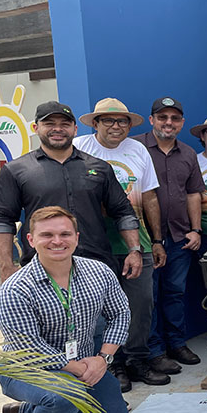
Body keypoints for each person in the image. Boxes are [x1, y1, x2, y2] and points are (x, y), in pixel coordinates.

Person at [0, 206, 131, 413]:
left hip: (84, 363)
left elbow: (120, 313)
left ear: (77, 238)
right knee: (64, 396)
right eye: (47, 235)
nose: (57, 241)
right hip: (27, 369)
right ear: (31, 240)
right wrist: (79, 369)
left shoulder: (99, 272)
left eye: (64, 234)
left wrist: (102, 358)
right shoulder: (16, 288)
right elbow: (29, 346)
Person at [73, 98, 168, 391]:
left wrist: (156, 240)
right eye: (109, 121)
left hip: (135, 245)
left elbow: (150, 197)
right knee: (97, 310)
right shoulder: (79, 149)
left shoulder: (137, 149)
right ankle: (110, 366)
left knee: (140, 306)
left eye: (122, 121)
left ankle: (138, 359)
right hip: (93, 246)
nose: (116, 126)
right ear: (95, 124)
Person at [0, 101, 141, 283]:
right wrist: (6, 265)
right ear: (36, 128)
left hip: (96, 268)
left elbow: (123, 212)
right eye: (50, 124)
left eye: (65, 124)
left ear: (75, 129)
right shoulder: (16, 170)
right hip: (41, 271)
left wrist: (134, 250)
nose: (58, 129)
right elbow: (1, 220)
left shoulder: (100, 168)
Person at [134, 97, 205, 372]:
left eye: (174, 119)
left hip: (179, 238)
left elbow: (193, 194)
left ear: (182, 123)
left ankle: (177, 343)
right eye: (162, 117)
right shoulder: (135, 148)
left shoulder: (188, 154)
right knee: (147, 296)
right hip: (142, 238)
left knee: (175, 293)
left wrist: (195, 229)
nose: (168, 123)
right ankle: (153, 351)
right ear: (151, 120)